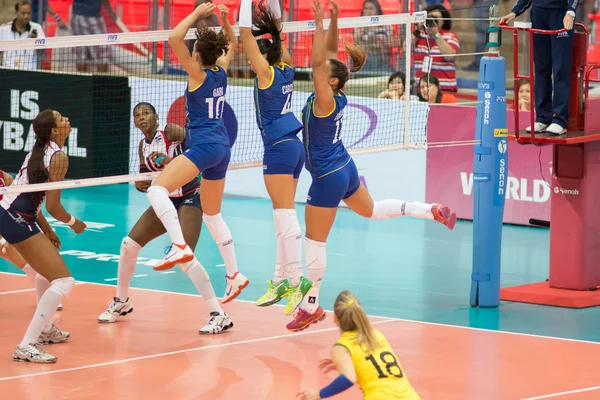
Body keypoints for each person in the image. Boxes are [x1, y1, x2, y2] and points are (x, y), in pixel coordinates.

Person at [287, 0, 456, 333]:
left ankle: (310, 306)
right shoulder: (337, 90)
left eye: (324, 74)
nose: (318, 72)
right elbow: (330, 57)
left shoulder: (324, 98)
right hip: (344, 166)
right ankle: (429, 209)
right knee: (373, 211)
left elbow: (321, 60)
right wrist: (334, 19)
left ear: (331, 82)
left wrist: (318, 23)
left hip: (327, 175)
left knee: (315, 244)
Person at [97, 102, 232, 333]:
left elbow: (198, 149)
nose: (142, 118)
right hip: (166, 200)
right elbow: (146, 176)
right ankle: (121, 301)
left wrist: (173, 161)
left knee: (185, 256)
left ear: (157, 117)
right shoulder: (142, 145)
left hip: (190, 195)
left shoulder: (170, 132)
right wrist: (142, 182)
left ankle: (219, 314)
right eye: (137, 115)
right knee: (128, 245)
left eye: (146, 113)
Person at [146, 3, 249, 304]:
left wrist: (197, 16)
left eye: (193, 51)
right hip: (223, 148)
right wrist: (227, 21)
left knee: (156, 190)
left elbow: (175, 38)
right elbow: (232, 43)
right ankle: (234, 275)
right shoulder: (220, 70)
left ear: (198, 56)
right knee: (213, 214)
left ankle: (179, 244)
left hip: (204, 147)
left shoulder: (199, 73)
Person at [238, 0, 312, 316]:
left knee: (285, 215)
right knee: (279, 215)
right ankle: (281, 277)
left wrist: (244, 4)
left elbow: (243, 35)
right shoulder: (287, 68)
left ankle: (297, 283)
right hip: (292, 147)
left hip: (279, 149)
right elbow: (278, 35)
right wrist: (275, 13)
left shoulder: (267, 73)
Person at [0, 109, 87, 363]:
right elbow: (53, 206)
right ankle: (26, 345)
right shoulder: (58, 157)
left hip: (14, 213)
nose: (67, 119)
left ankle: (46, 328)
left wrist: (47, 230)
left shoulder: (39, 151)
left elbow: (33, 197)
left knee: (44, 273)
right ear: (54, 131)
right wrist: (73, 222)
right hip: (15, 216)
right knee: (63, 281)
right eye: (62, 118)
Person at [297, 291, 421, 400]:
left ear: (335, 319)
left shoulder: (342, 346)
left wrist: (318, 394)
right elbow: (377, 369)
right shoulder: (376, 334)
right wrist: (352, 364)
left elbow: (348, 378)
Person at [501, 0, 577, 135]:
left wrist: (570, 11)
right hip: (538, 13)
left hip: (560, 13)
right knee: (541, 68)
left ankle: (560, 120)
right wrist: (515, 12)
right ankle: (542, 117)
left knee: (560, 69)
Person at [1, 170, 64, 311]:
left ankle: (42, 294)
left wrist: (47, 229)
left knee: (9, 250)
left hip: (8, 221)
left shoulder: (5, 178)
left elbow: (30, 207)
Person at [412, 4, 460, 93]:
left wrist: (436, 34)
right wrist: (417, 30)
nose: (433, 20)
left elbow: (449, 56)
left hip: (443, 90)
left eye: (436, 17)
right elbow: (405, 48)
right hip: (421, 90)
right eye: (430, 17)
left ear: (444, 21)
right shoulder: (418, 36)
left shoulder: (450, 36)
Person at [0, 0, 45, 70]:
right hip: (8, 70)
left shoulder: (37, 28)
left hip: (30, 71)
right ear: (16, 12)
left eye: (29, 13)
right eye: (23, 13)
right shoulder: (4, 29)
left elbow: (42, 51)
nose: (26, 16)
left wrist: (35, 41)